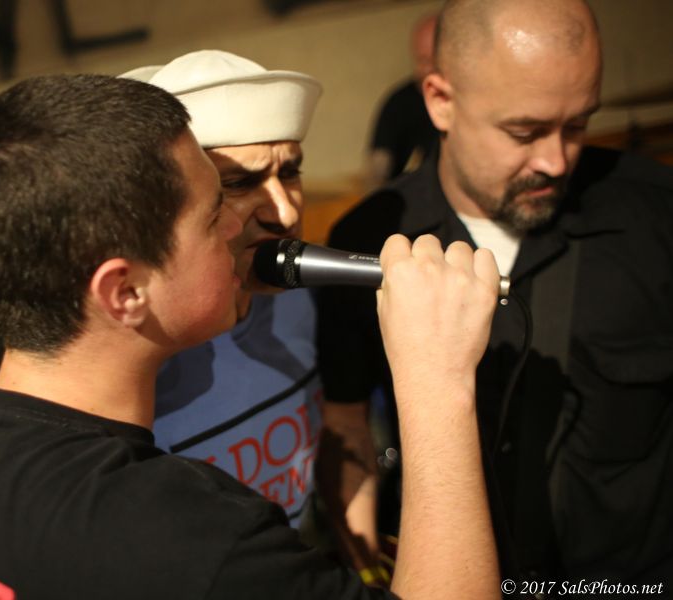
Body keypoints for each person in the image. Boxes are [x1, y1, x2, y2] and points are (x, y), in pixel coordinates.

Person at [0, 73, 501, 599]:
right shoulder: (187, 539)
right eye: (215, 213)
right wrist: (437, 380)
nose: (252, 225)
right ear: (125, 292)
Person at [319, 0, 673, 588]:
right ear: (441, 100)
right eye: (523, 132)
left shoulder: (657, 214)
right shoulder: (367, 238)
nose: (555, 160)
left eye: (578, 124)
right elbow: (347, 421)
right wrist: (364, 566)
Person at [123, 50, 382, 578]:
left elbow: (343, 434)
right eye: (240, 183)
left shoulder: (301, 300)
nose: (285, 212)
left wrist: (368, 572)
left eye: (291, 171)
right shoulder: (140, 342)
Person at [361, 13, 440, 193]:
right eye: (423, 60)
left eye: (435, 60)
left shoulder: (468, 98)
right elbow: (375, 174)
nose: (430, 69)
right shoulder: (398, 104)